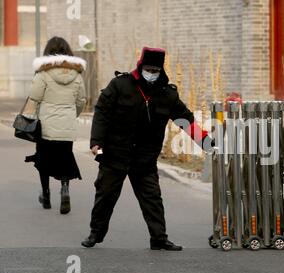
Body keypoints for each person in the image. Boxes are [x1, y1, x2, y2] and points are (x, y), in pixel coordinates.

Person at [81, 47, 214, 251]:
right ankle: (95, 234)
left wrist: (206, 143)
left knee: (152, 199)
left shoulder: (166, 94)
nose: (152, 73)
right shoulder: (120, 85)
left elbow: (185, 120)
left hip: (144, 159)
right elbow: (102, 111)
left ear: (161, 70)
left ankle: (159, 239)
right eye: (148, 69)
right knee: (105, 196)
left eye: (156, 70)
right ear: (141, 66)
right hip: (114, 155)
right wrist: (96, 141)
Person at [26, 36, 87, 214]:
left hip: (46, 126)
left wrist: (32, 118)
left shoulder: (43, 74)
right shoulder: (76, 75)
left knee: (43, 160)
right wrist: (70, 115)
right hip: (67, 126)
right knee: (65, 158)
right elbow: (81, 100)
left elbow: (34, 97)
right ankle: (65, 189)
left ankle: (46, 195)